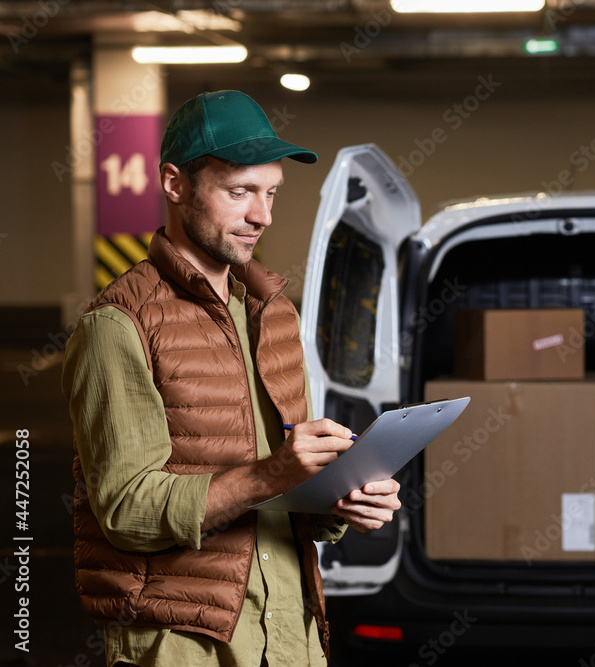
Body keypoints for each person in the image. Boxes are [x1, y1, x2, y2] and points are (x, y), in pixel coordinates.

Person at [61, 90, 401, 666]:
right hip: (185, 645)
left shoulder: (272, 313)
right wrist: (273, 473)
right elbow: (126, 511)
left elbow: (287, 485)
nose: (261, 216)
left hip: (292, 635)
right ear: (174, 183)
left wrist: (341, 500)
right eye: (239, 192)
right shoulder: (119, 324)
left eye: (270, 194)